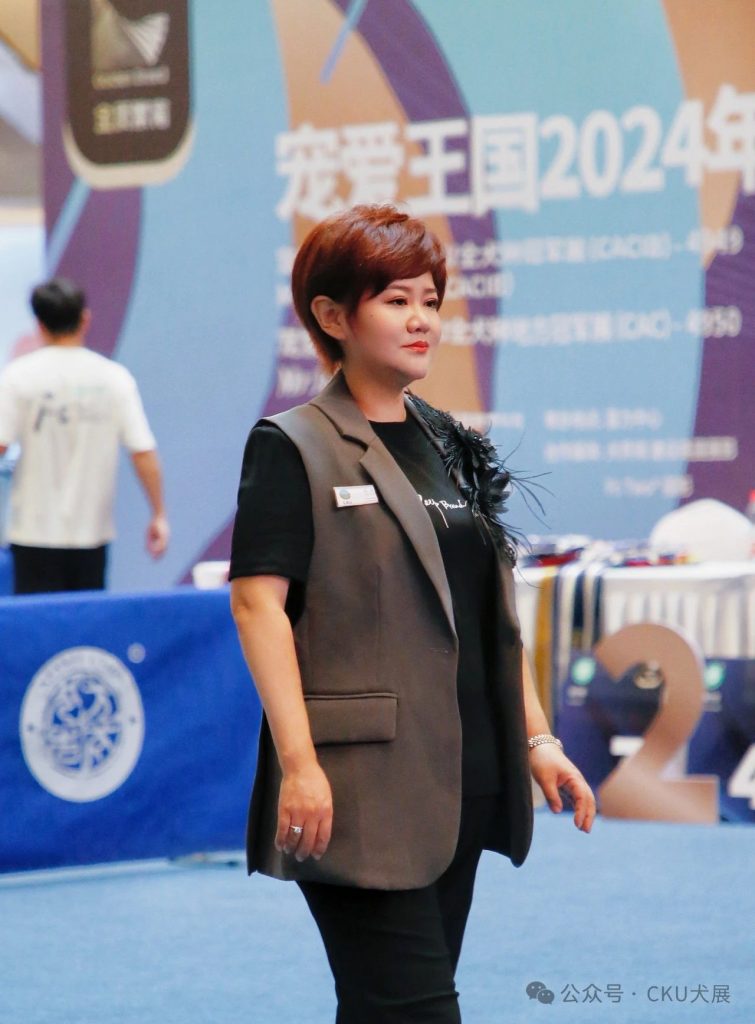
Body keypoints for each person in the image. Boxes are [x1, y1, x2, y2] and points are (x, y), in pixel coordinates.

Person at [229, 205, 595, 1023]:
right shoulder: (294, 444)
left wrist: (537, 739)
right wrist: (299, 763)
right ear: (332, 316)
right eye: (395, 300)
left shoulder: (449, 440)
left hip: (461, 776)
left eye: (430, 299)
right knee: (417, 1009)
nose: (422, 318)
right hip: (357, 787)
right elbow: (257, 606)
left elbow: (487, 614)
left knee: (383, 1009)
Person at [0, 277, 169, 594]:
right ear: (85, 319)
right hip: (92, 532)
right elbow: (142, 450)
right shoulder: (113, 378)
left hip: (33, 532)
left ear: (39, 324)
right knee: (87, 619)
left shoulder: (18, 377)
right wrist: (158, 513)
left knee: (39, 622)